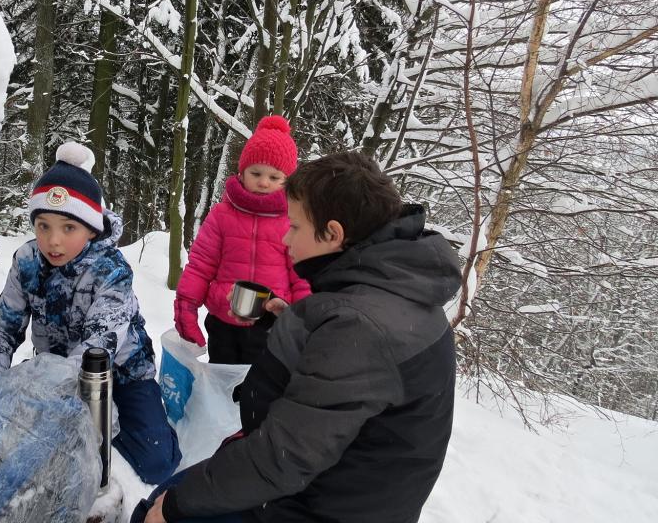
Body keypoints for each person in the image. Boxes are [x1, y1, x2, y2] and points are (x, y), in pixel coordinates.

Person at [137, 151, 462, 523]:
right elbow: (348, 369)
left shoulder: (361, 327)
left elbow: (283, 459)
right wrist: (286, 322)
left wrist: (178, 505)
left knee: (158, 507)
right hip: (345, 485)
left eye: (293, 227)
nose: (286, 240)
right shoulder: (398, 285)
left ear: (333, 233)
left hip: (321, 505)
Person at [0, 141, 181, 484]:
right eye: (43, 226)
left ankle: (147, 422)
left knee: (155, 463)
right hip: (55, 372)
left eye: (68, 228)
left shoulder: (111, 270)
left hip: (122, 375)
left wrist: (56, 398)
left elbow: (99, 345)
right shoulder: (27, 261)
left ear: (91, 228)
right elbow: (0, 331)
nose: (53, 241)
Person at [173, 115, 310, 364]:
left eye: (274, 177)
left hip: (271, 325)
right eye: (255, 172)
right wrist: (186, 305)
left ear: (287, 181)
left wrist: (305, 318)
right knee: (223, 388)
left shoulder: (292, 220)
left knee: (260, 391)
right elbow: (201, 265)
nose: (263, 182)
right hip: (223, 321)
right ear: (242, 171)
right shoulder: (222, 215)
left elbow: (301, 275)